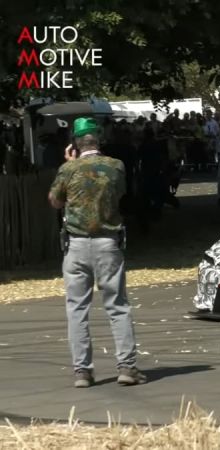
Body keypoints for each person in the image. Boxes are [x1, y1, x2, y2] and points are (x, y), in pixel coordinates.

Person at [47, 117, 146, 388]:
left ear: (75, 144)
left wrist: (68, 166)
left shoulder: (69, 169)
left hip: (76, 244)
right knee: (117, 305)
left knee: (77, 308)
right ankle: (127, 366)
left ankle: (82, 370)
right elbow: (122, 194)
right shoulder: (116, 166)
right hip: (107, 241)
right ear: (98, 140)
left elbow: (55, 201)